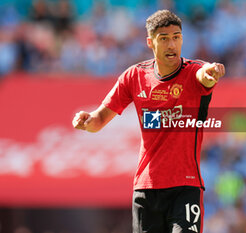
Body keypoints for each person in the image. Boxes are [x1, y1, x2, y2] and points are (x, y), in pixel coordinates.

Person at [72, 9, 225, 233]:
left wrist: (210, 72)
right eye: (164, 39)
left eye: (176, 37)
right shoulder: (134, 77)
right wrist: (87, 121)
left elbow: (204, 75)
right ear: (150, 42)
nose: (172, 44)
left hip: (185, 186)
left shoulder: (193, 72)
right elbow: (100, 119)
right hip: (146, 188)